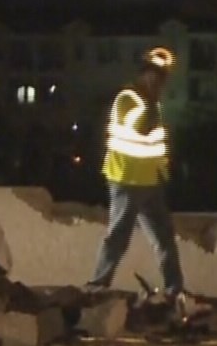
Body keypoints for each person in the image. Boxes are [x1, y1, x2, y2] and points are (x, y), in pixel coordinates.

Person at [86, 46, 209, 320]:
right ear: (144, 75)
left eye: (162, 77)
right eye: (154, 76)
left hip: (150, 183)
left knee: (164, 239)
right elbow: (140, 127)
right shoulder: (130, 98)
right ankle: (96, 285)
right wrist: (152, 105)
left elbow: (155, 144)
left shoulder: (153, 103)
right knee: (118, 236)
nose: (158, 82)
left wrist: (163, 171)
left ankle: (175, 290)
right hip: (127, 179)